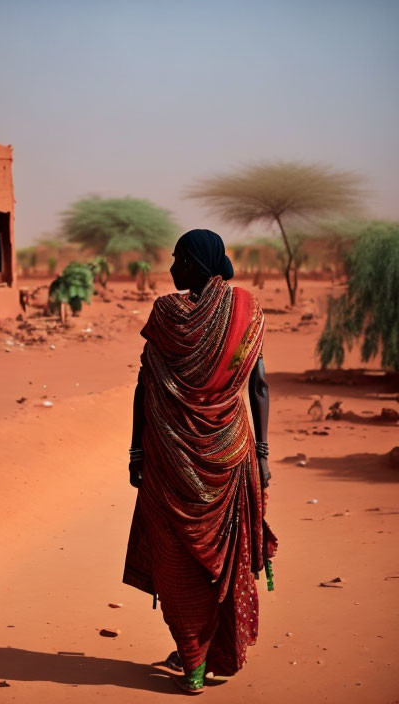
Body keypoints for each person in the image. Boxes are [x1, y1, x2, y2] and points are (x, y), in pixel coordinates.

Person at [123, 229, 277, 694]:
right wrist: (264, 455)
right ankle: (207, 653)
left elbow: (143, 386)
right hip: (230, 456)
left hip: (168, 461)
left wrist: (135, 452)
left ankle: (193, 659)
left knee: (175, 562)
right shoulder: (246, 311)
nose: (170, 269)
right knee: (219, 563)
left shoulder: (166, 316)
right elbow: (261, 386)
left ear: (192, 263)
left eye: (177, 259)